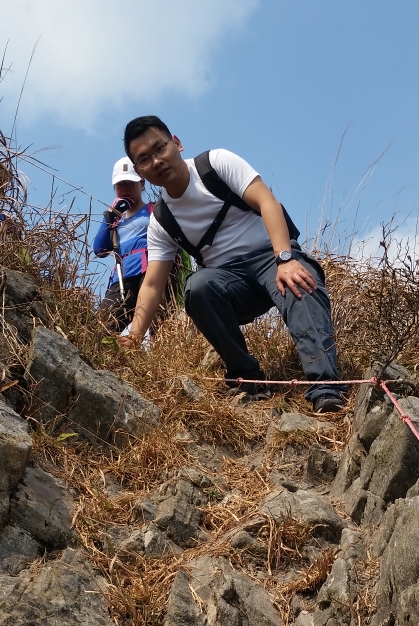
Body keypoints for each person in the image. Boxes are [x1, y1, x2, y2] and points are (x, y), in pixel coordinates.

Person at [116, 116, 346, 411]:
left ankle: (326, 388)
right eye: (144, 159)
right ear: (139, 172)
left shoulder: (215, 164)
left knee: (299, 282)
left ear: (176, 143)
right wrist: (135, 335)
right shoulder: (161, 220)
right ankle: (246, 378)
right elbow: (152, 283)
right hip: (230, 284)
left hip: (271, 257)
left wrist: (285, 259)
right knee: (196, 287)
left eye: (160, 148)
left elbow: (267, 202)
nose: (157, 160)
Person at [92, 157, 151, 331]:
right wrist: (110, 216)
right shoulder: (114, 220)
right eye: (120, 184)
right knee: (101, 327)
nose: (125, 189)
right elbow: (99, 249)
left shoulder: (154, 210)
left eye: (130, 183)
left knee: (158, 323)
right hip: (122, 277)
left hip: (151, 271)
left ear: (142, 184)